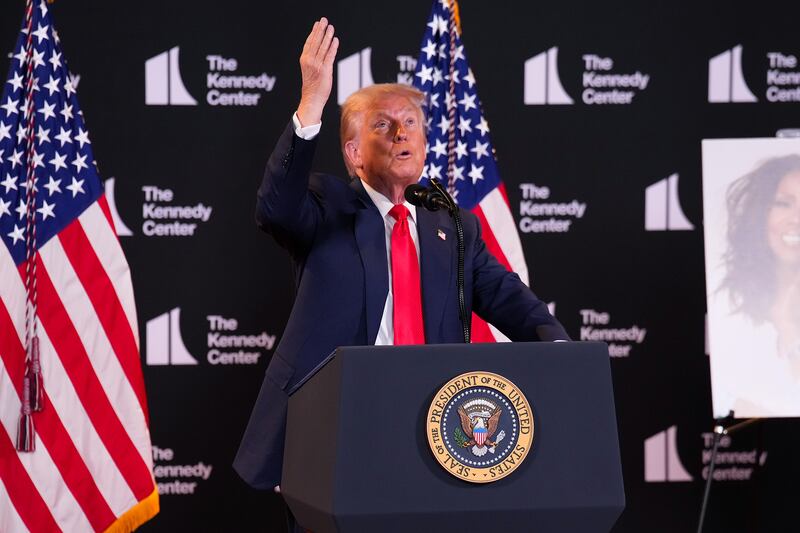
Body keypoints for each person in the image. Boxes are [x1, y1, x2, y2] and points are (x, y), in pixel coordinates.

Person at [234, 17, 568, 494]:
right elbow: (275, 205)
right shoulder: (326, 207)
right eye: (383, 125)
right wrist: (311, 100)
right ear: (353, 153)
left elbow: (509, 297)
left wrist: (557, 350)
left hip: (433, 429)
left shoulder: (453, 226)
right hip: (336, 426)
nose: (400, 133)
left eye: (410, 123)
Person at [710, 154, 800, 417]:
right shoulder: (727, 303)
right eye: (783, 204)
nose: (796, 218)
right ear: (762, 214)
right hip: (751, 443)